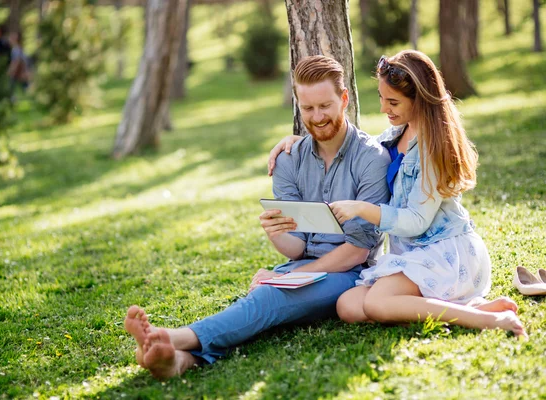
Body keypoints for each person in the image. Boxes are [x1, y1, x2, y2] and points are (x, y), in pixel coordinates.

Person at [125, 55, 392, 379]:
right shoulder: (288, 160)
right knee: (259, 304)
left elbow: (359, 250)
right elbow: (296, 248)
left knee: (268, 298)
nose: (317, 117)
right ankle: (178, 362)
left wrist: (292, 276)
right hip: (303, 266)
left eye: (325, 106)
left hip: (353, 274)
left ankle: (173, 336)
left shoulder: (370, 159)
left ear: (344, 99)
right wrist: (276, 234)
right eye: (308, 109)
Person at [267, 50, 526, 338]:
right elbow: (358, 147)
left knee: (377, 303)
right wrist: (298, 140)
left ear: (420, 100)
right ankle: (473, 309)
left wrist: (362, 209)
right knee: (349, 306)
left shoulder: (433, 147)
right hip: (412, 255)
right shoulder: (394, 136)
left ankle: (486, 320)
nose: (383, 109)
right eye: (381, 98)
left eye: (393, 102)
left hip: (446, 253)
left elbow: (416, 221)